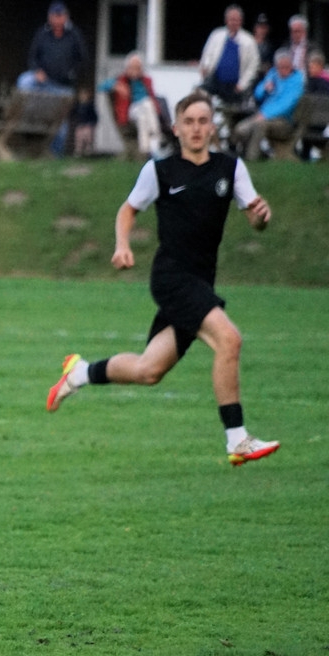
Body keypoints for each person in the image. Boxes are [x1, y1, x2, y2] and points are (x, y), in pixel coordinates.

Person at [46, 90, 279, 468]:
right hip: (172, 278)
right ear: (176, 128)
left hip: (201, 282)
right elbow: (128, 209)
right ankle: (237, 439)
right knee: (229, 339)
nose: (197, 128)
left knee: (148, 370)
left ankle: (80, 373)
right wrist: (122, 245)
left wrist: (261, 217)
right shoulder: (159, 171)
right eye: (189, 122)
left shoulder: (231, 169)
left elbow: (255, 218)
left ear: (212, 127)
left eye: (203, 121)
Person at [231, 48, 304, 160]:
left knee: (260, 125)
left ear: (291, 66)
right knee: (240, 130)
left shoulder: (297, 80)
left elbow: (287, 105)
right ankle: (252, 154)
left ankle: (251, 158)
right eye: (280, 67)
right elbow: (258, 94)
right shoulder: (273, 73)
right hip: (262, 115)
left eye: (286, 67)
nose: (283, 70)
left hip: (284, 121)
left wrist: (266, 115)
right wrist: (265, 88)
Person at [99, 51, 164, 157]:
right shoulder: (121, 80)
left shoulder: (146, 80)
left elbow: (152, 97)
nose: (135, 71)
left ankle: (145, 148)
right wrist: (116, 86)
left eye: (138, 68)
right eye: (132, 67)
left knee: (144, 114)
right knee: (147, 106)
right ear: (127, 68)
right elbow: (101, 86)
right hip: (131, 111)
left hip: (145, 112)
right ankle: (155, 137)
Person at [17, 2, 88, 95]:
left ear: (66, 17)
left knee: (66, 98)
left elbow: (82, 58)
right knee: (24, 81)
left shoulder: (74, 35)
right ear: (49, 18)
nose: (57, 20)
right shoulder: (42, 33)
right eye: (54, 16)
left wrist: (72, 73)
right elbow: (32, 56)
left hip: (63, 84)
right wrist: (37, 71)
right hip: (44, 80)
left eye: (60, 16)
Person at [199, 5, 260, 105]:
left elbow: (253, 66)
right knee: (199, 94)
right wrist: (204, 67)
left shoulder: (249, 40)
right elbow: (207, 54)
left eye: (236, 20)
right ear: (226, 20)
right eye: (231, 19)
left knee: (230, 109)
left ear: (241, 21)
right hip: (215, 80)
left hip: (235, 86)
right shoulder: (216, 35)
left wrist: (242, 85)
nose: (233, 22)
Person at [70, 87, 98, 156]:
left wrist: (93, 123)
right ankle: (78, 151)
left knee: (88, 138)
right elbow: (73, 114)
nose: (83, 97)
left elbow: (94, 115)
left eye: (85, 95)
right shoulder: (77, 106)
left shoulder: (90, 106)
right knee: (79, 139)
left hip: (88, 124)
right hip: (80, 124)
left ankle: (88, 151)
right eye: (82, 95)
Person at [252, 13, 275, 87]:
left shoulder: (270, 47)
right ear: (255, 28)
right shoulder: (248, 43)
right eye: (260, 27)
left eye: (265, 27)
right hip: (249, 79)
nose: (262, 30)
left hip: (263, 80)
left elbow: (270, 66)